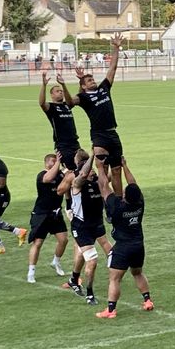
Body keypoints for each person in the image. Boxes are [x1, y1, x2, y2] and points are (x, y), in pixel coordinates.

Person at [58, 32, 125, 195]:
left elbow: (112, 68)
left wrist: (116, 48)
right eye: (89, 81)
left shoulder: (103, 88)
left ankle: (119, 201)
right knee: (102, 170)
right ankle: (107, 200)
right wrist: (64, 85)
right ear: (84, 86)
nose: (93, 80)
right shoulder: (84, 97)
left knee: (117, 170)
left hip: (112, 133)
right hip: (99, 135)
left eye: (92, 79)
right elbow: (69, 103)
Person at [94, 157, 153, 318]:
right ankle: (147, 300)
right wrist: (125, 166)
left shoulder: (117, 207)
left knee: (114, 279)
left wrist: (100, 168)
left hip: (122, 247)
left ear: (125, 196)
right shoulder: (139, 204)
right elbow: (134, 185)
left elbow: (104, 187)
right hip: (138, 245)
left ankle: (111, 310)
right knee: (138, 273)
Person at [57, 149, 111, 306]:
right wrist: (93, 156)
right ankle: (89, 293)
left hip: (96, 224)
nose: (92, 172)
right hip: (82, 227)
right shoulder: (77, 185)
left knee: (82, 253)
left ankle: (73, 279)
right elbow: (80, 177)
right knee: (92, 261)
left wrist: (109, 158)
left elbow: (108, 175)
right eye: (90, 170)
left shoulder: (96, 183)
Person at [27, 153, 69, 283]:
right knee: (38, 243)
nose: (56, 162)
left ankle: (56, 262)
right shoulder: (42, 175)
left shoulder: (61, 175)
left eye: (57, 160)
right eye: (53, 160)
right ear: (46, 163)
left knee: (64, 240)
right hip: (41, 214)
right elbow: (47, 178)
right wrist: (59, 163)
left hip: (55, 213)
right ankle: (31, 271)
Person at [39, 71, 80, 171]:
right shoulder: (51, 108)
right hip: (63, 145)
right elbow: (41, 103)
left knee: (81, 168)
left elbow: (75, 98)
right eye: (57, 91)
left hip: (75, 143)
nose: (60, 92)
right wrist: (44, 85)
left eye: (61, 91)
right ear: (52, 95)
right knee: (70, 170)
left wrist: (63, 84)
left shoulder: (67, 105)